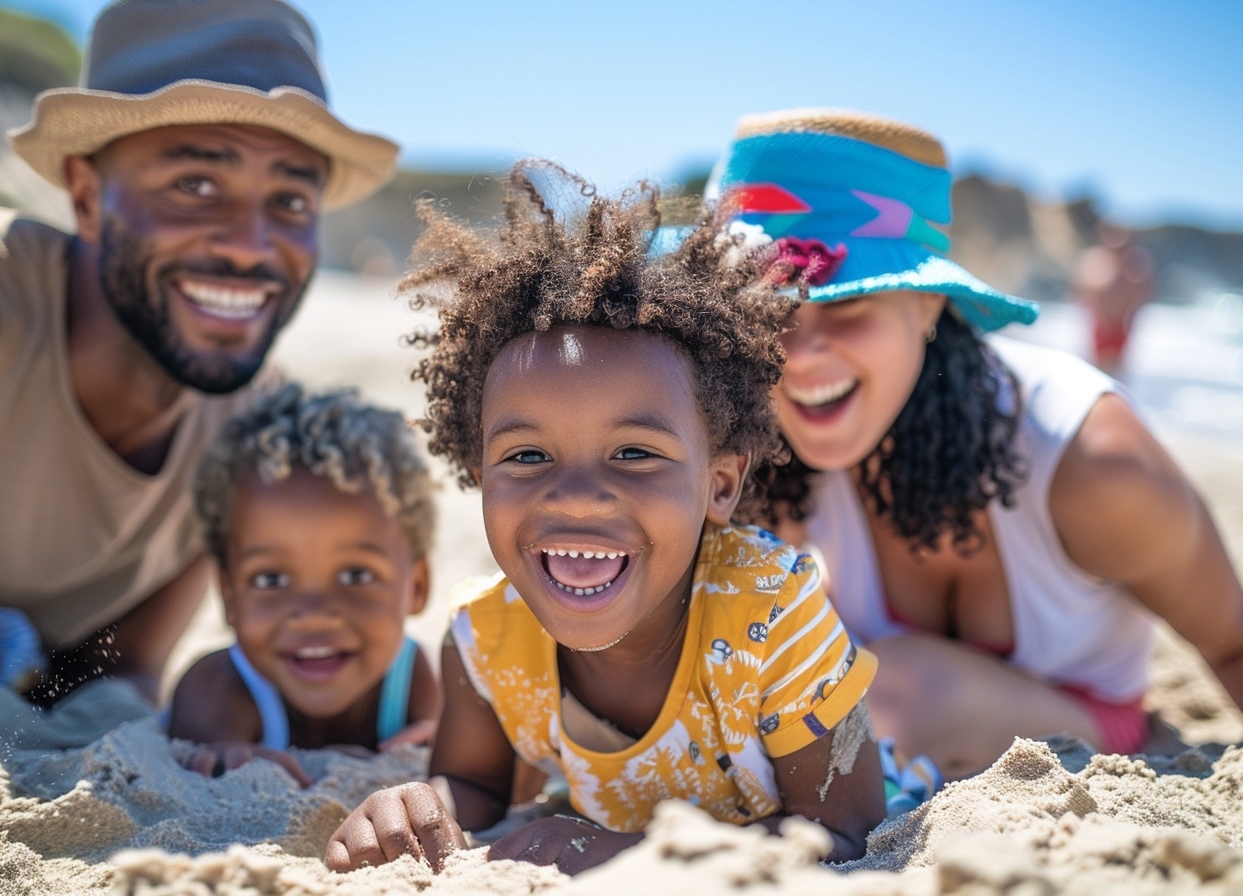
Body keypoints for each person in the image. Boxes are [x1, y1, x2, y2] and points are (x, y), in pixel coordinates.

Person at [323, 163, 886, 877]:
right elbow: (477, 789)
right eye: (528, 455)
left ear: (718, 484)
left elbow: (850, 830)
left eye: (633, 452)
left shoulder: (772, 615)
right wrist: (413, 807)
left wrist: (642, 859)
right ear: (478, 472)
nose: (578, 496)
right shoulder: (485, 641)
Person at [0, 0, 398, 723]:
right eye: (196, 185)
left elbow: (116, 675)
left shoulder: (250, 430)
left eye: (290, 199)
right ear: (86, 196)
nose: (252, 245)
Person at [708, 108, 1243, 780]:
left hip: (1075, 725)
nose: (803, 356)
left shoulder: (1089, 460)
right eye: (770, 310)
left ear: (928, 305)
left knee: (901, 684)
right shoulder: (760, 441)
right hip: (873, 713)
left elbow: (1232, 642)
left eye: (848, 305)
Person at [168, 384, 439, 786]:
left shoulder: (413, 677)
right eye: (271, 579)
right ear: (229, 595)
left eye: (356, 576)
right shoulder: (217, 689)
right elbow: (211, 763)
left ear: (416, 586)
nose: (313, 613)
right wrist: (229, 757)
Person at [1071, 221, 1155, 375]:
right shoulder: (1096, 257)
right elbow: (1081, 289)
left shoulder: (1133, 260)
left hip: (1121, 323)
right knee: (1097, 367)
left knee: (1116, 370)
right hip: (1101, 323)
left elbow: (1143, 291)